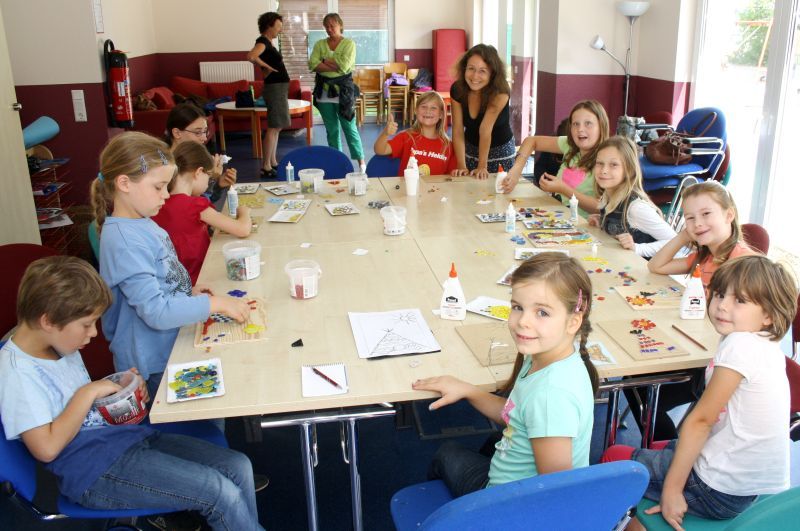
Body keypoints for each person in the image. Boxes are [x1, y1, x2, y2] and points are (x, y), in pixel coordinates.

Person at [0, 256, 263, 530]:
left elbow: (76, 409)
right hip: (92, 472)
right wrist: (88, 393)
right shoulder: (17, 374)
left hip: (120, 442)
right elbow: (46, 448)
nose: (93, 333)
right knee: (219, 492)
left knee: (237, 465)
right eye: (86, 324)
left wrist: (120, 392)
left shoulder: (56, 342)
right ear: (48, 321)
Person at [603, 256, 797, 529]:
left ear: (769, 315)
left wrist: (672, 490)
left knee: (613, 457)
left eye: (740, 300)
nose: (722, 305)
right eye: (719, 294)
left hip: (716, 488)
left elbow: (701, 421)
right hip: (746, 485)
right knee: (665, 447)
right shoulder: (765, 345)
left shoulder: (740, 345)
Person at [412, 254, 598, 497]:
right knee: (493, 441)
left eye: (542, 312)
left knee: (446, 453)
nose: (523, 322)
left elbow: (556, 491)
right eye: (518, 307)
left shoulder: (550, 395)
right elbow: (515, 412)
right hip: (515, 489)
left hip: (507, 503)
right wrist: (468, 390)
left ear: (573, 322)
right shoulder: (545, 356)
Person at [90, 132, 250, 399]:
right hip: (153, 363)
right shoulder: (125, 241)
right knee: (200, 421)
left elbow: (160, 280)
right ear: (124, 183)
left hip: (172, 342)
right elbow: (155, 311)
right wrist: (215, 304)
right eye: (159, 186)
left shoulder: (142, 220)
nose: (166, 195)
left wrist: (187, 293)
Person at [626, 180, 759, 441]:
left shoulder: (741, 263)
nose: (698, 223)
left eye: (706, 214)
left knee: (639, 385)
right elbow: (656, 266)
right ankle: (664, 445)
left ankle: (668, 448)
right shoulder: (705, 258)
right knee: (634, 377)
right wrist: (681, 236)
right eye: (690, 218)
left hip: (720, 363)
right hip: (699, 343)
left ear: (729, 214)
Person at [152, 141, 252, 285]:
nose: (208, 183)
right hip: (201, 278)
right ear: (198, 172)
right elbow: (242, 229)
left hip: (172, 282)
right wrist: (244, 212)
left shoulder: (159, 204)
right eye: (209, 176)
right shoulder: (195, 205)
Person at [503, 100, 610, 216]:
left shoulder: (607, 159)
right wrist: (516, 170)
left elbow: (602, 207)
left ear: (601, 126)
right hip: (559, 219)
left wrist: (563, 189)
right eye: (576, 124)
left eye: (588, 123)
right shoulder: (570, 144)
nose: (580, 129)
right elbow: (531, 141)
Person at [588, 136, 676, 258]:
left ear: (629, 170)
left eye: (613, 164)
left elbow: (676, 243)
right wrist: (603, 223)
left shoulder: (636, 208)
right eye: (599, 163)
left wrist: (637, 248)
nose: (603, 170)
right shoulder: (608, 196)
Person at [449, 44, 515, 179]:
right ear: (464, 69)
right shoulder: (457, 89)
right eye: (471, 69)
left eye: (482, 71)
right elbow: (457, 130)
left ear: (493, 74)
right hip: (470, 148)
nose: (475, 76)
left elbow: (485, 130)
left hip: (500, 151)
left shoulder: (500, 92)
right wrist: (461, 165)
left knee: (495, 194)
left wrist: (482, 166)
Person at [309, 13, 364, 168]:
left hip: (344, 92)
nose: (329, 29)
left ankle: (361, 162)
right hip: (323, 91)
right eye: (326, 26)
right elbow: (312, 64)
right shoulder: (320, 44)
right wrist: (334, 64)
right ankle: (337, 161)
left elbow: (345, 66)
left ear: (340, 25)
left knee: (349, 127)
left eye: (332, 25)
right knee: (331, 130)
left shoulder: (349, 44)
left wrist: (324, 61)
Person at [165, 102, 237, 204]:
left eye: (205, 131)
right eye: (198, 132)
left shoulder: (192, 156)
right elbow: (196, 207)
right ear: (177, 133)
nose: (204, 138)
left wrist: (219, 184)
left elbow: (208, 200)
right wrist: (211, 178)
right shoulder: (166, 166)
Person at [247, 12, 290, 179]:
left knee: (277, 126)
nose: (280, 29)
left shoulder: (268, 42)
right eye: (278, 26)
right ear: (269, 25)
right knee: (273, 127)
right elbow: (251, 56)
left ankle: (272, 162)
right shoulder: (262, 41)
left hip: (278, 87)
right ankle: (266, 166)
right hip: (275, 88)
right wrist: (267, 67)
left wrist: (267, 67)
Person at [373, 91, 456, 176]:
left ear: (441, 114)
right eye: (423, 107)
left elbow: (452, 176)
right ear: (416, 110)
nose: (428, 111)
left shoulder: (448, 145)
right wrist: (385, 133)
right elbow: (380, 150)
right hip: (407, 188)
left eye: (433, 108)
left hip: (436, 189)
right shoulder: (406, 137)